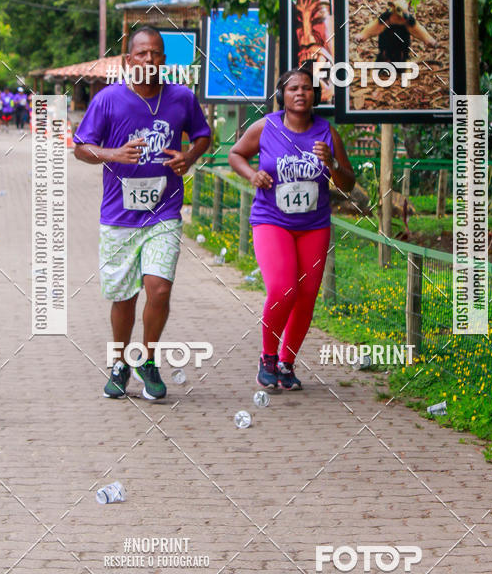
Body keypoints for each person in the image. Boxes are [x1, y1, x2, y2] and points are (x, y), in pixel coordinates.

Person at [74, 25, 211, 401]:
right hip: (118, 215)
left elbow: (203, 135)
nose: (149, 60)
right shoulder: (108, 99)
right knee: (124, 296)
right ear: (128, 59)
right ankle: (119, 361)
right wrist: (113, 154)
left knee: (159, 288)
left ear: (164, 58)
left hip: (163, 212)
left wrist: (190, 156)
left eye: (156, 53)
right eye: (142, 54)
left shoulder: (182, 98)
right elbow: (81, 148)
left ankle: (147, 359)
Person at [228, 66, 355, 390]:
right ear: (282, 96)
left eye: (307, 88)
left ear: (315, 95)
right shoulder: (266, 127)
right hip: (272, 220)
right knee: (284, 288)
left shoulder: (327, 132)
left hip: (313, 224)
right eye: (293, 88)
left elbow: (347, 183)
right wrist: (251, 175)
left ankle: (287, 363)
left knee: (307, 295)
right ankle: (267, 357)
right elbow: (235, 154)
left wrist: (332, 163)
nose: (301, 93)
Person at [359, 0, 438, 64]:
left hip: (402, 49)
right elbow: (375, 27)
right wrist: (363, 35)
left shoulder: (407, 20)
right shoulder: (386, 17)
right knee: (383, 58)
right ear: (392, 7)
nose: (405, 15)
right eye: (400, 10)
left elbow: (417, 30)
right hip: (386, 47)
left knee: (401, 60)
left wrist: (428, 39)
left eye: (407, 10)